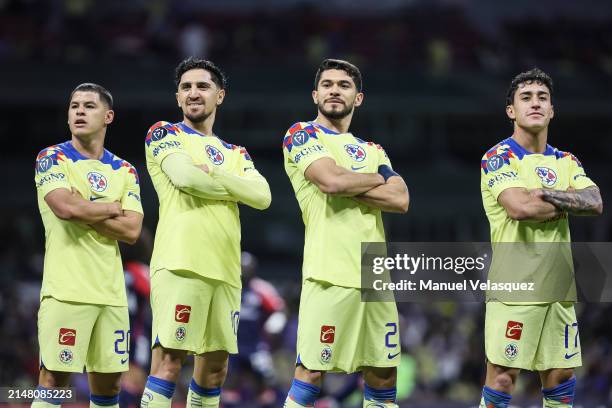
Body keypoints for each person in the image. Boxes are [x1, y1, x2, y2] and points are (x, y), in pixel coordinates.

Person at [141, 57, 271, 408]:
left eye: (203, 86)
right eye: (186, 87)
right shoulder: (165, 133)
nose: (194, 93)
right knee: (168, 362)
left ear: (220, 96)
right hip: (181, 263)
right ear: (178, 97)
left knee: (215, 369)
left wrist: (212, 175)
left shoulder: (236, 152)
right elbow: (185, 178)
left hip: (226, 272)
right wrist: (234, 185)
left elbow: (262, 195)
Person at [281, 59, 409, 407]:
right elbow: (331, 181)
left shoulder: (374, 150)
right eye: (327, 84)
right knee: (310, 372)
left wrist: (347, 181)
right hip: (329, 272)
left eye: (344, 85)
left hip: (375, 277)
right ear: (315, 94)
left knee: (383, 373)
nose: (335, 90)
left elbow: (400, 199)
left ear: (359, 97)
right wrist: (377, 177)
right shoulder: (302, 134)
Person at [479, 68, 603, 408]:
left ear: (551, 110)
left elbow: (595, 203)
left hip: (560, 289)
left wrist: (543, 193)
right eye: (526, 97)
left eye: (542, 97)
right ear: (511, 111)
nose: (535, 103)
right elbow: (519, 206)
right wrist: (567, 200)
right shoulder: (498, 157)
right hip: (515, 287)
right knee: (503, 378)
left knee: (561, 377)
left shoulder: (566, 160)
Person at [33, 83, 144, 408]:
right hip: (66, 292)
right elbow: (64, 208)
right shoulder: (52, 157)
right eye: (74, 106)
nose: (79, 111)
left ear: (108, 116)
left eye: (89, 106)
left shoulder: (125, 170)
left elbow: (132, 230)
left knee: (109, 389)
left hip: (111, 297)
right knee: (53, 382)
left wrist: (86, 208)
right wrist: (111, 207)